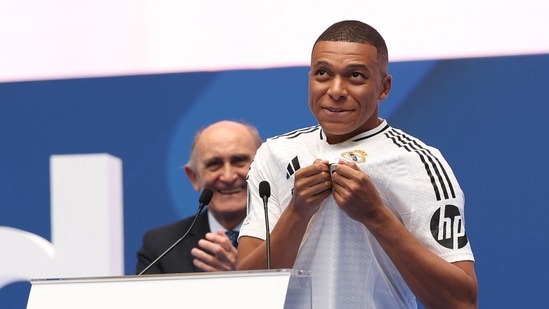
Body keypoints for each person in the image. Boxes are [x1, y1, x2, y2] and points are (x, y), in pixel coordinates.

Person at [237, 20, 478, 308]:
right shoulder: (275, 153)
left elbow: (461, 301)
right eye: (323, 73)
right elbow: (247, 293)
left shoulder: (419, 162)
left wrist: (376, 215)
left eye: (356, 76)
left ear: (384, 87)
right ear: (310, 78)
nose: (336, 90)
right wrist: (298, 211)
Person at [136, 120, 262, 274]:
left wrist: (241, 274)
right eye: (214, 164)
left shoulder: (289, 236)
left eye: (239, 161)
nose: (228, 177)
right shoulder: (162, 247)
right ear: (194, 177)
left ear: (263, 168)